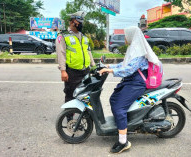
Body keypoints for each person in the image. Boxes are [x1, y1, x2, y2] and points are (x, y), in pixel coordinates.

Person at [99, 26, 159, 154]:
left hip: (136, 83)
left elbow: (129, 69)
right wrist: (109, 66)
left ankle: (123, 141)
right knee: (114, 98)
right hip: (130, 81)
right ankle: (122, 124)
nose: (125, 38)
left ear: (131, 36)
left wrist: (111, 70)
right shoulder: (133, 48)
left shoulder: (138, 51)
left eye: (126, 35)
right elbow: (124, 65)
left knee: (119, 107)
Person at [56, 11, 95, 103]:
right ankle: (70, 116)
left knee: (86, 94)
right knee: (71, 95)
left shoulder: (84, 37)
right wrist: (63, 71)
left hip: (85, 71)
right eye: (78, 22)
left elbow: (88, 52)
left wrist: (93, 66)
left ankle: (84, 115)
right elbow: (60, 53)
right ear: (71, 22)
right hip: (72, 72)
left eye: (81, 22)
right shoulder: (63, 36)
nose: (80, 24)